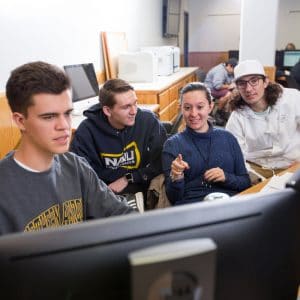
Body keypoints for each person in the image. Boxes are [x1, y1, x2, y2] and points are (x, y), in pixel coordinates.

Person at [0, 62, 134, 236]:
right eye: (49, 117)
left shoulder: (76, 166)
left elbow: (121, 214)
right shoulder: (4, 189)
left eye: (67, 113)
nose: (64, 126)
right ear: (20, 121)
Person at [70, 78, 167, 206]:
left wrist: (128, 178)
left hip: (142, 184)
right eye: (126, 107)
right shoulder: (87, 131)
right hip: (105, 191)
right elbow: (81, 173)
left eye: (135, 103)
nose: (134, 111)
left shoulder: (148, 121)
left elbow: (163, 160)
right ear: (107, 111)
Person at [162, 82, 251, 205]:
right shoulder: (172, 145)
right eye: (187, 108)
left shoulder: (228, 138)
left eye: (200, 107)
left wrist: (226, 177)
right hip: (192, 208)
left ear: (210, 106)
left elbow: (245, 183)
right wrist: (176, 177)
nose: (193, 114)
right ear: (181, 108)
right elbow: (174, 198)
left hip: (229, 205)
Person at [226, 59, 300, 179]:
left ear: (265, 82)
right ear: (237, 87)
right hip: (258, 169)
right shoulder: (237, 117)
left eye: (254, 81)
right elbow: (236, 156)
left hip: (293, 164)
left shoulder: (291, 98)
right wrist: (253, 177)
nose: (248, 89)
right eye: (242, 83)